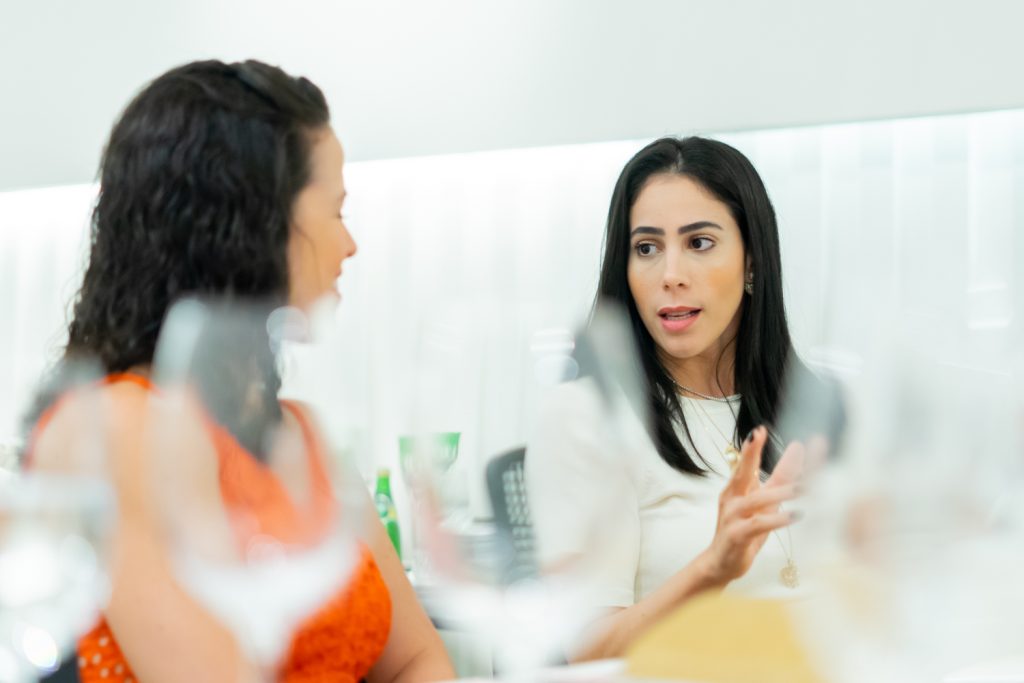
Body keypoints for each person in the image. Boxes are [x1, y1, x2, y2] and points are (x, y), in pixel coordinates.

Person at [26, 59, 454, 683]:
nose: (350, 245)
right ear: (258, 223)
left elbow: (419, 659)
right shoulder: (116, 426)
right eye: (336, 212)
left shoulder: (299, 433)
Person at [526, 136, 817, 661]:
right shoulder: (586, 416)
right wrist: (713, 567)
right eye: (646, 248)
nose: (670, 275)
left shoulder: (806, 404)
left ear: (752, 262)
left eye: (699, 243)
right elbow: (587, 649)